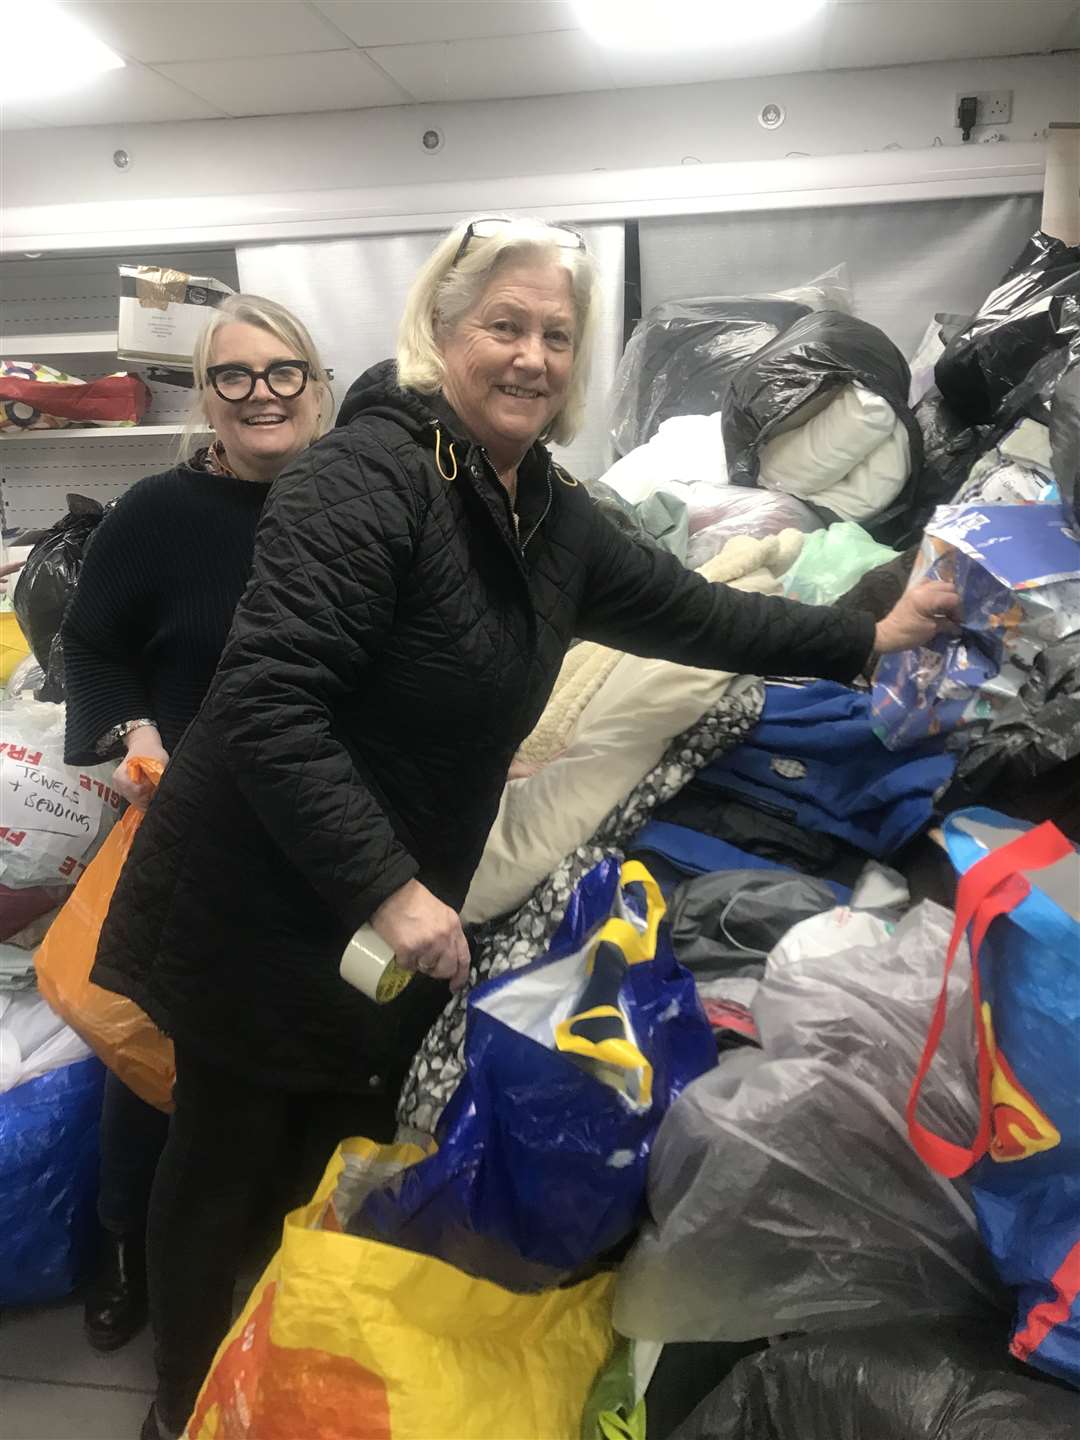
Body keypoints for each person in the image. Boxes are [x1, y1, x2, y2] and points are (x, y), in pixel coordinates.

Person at [91, 216, 959, 1440]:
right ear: (441, 335)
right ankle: (184, 1403)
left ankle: (288, 1373)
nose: (532, 357)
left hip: (374, 902)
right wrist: (389, 886)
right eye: (504, 325)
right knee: (226, 1144)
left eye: (556, 334)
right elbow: (269, 701)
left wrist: (867, 635)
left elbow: (693, 611)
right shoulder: (366, 477)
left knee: (330, 1141)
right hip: (260, 889)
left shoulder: (542, 508)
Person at [61, 294, 331, 1356]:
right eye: (235, 376)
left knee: (292, 1065)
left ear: (317, 385)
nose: (261, 394)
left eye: (282, 372)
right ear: (206, 399)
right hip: (189, 836)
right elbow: (91, 643)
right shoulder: (157, 516)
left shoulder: (361, 502)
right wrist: (136, 735)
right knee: (155, 1057)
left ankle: (277, 1267)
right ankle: (127, 1242)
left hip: (321, 842)